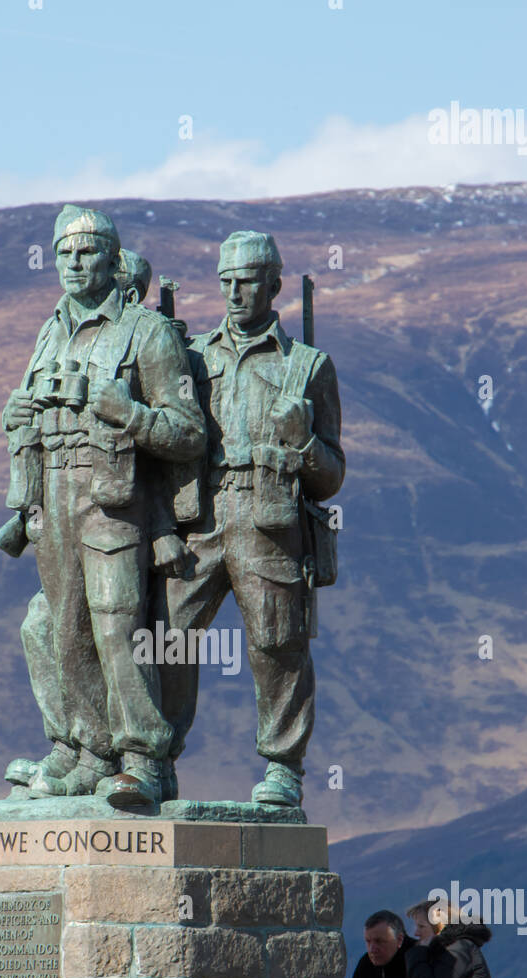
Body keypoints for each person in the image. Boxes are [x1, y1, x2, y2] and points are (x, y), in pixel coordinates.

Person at [0, 207, 205, 807]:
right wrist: (16, 420)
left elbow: (188, 432)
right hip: (55, 498)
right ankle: (89, 753)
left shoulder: (146, 332)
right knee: (66, 630)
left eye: (85, 253)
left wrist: (126, 412)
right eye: (64, 254)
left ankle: (144, 760)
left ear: (114, 262)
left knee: (117, 626)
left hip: (115, 502)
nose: (73, 264)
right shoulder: (50, 330)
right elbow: (34, 409)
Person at [156, 230, 346, 807]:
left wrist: (305, 441)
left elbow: (333, 474)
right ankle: (156, 758)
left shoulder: (308, 367)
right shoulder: (192, 356)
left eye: (246, 282)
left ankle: (283, 767)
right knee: (167, 637)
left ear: (274, 286)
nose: (235, 293)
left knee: (277, 643)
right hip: (202, 515)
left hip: (269, 521)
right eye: (225, 282)